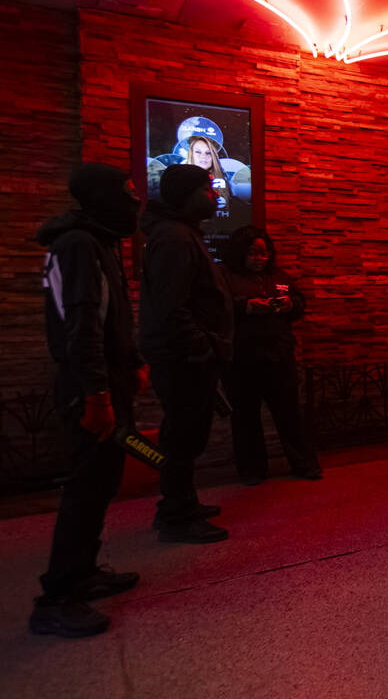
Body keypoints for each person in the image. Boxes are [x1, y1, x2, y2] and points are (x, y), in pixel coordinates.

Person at [29, 163, 145, 638]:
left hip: (106, 379)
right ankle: (57, 596)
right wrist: (97, 391)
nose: (136, 201)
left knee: (101, 481)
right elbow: (80, 326)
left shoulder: (99, 241)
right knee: (85, 486)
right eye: (128, 192)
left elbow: (107, 314)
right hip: (87, 385)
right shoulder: (78, 244)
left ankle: (84, 571)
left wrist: (131, 359)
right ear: (102, 197)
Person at [139, 164, 233, 544]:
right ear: (186, 194)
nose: (215, 195)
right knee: (181, 436)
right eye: (208, 188)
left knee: (189, 434)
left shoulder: (181, 233)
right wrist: (200, 346)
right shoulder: (175, 237)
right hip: (182, 357)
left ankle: (182, 503)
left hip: (188, 354)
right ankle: (177, 514)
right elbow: (171, 306)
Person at [219, 226, 321, 485]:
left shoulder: (278, 275)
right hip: (241, 360)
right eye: (253, 253)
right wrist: (246, 307)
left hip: (278, 356)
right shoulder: (224, 276)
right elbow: (214, 309)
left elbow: (300, 303)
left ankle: (304, 464)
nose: (259, 258)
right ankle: (252, 470)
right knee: (245, 418)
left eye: (264, 253)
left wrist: (289, 304)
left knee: (290, 415)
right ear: (240, 253)